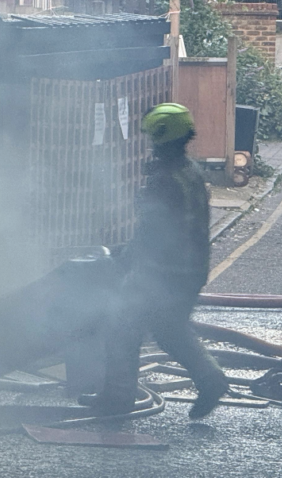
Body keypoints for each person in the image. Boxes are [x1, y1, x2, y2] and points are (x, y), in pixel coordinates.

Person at [95, 103, 229, 420]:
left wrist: (123, 258)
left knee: (121, 325)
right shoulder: (190, 173)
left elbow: (151, 231)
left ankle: (117, 398)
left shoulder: (165, 181)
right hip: (191, 270)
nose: (151, 146)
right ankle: (212, 379)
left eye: (154, 140)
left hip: (162, 273)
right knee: (170, 331)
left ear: (163, 140)